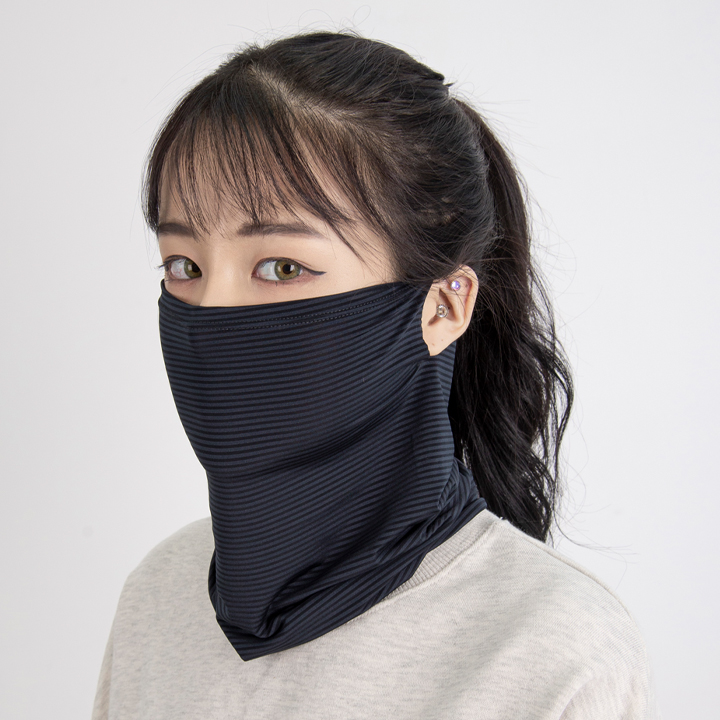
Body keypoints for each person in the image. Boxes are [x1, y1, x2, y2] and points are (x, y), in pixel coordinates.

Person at [92, 31, 656, 719]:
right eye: (185, 265)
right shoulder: (159, 598)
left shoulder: (553, 649)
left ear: (444, 306)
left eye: (282, 267)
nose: (213, 314)